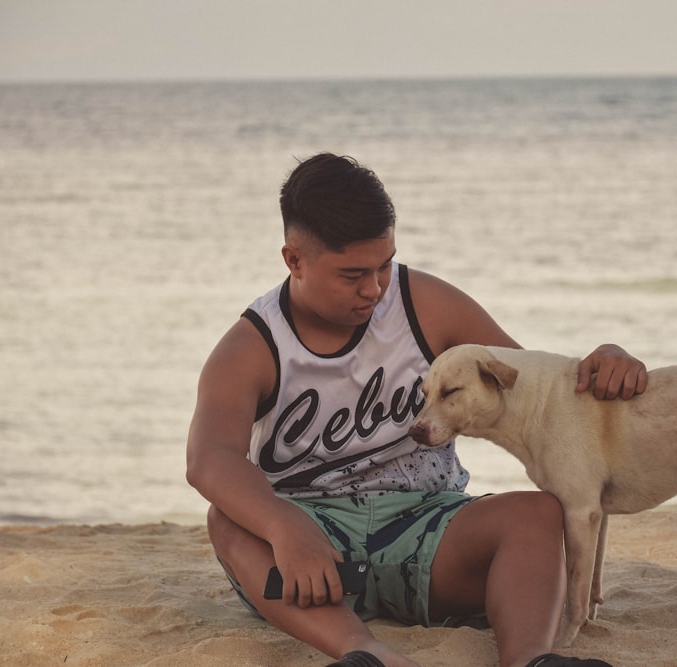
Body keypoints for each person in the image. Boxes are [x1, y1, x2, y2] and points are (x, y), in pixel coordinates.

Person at [186, 153, 648, 667]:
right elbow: (211, 459)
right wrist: (283, 528)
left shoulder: (424, 303)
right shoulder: (252, 345)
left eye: (385, 265)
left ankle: (531, 659)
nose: (375, 288)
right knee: (227, 520)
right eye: (353, 274)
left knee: (535, 512)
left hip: (429, 527)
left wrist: (607, 357)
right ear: (294, 260)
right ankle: (364, 653)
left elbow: (530, 388)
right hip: (311, 551)